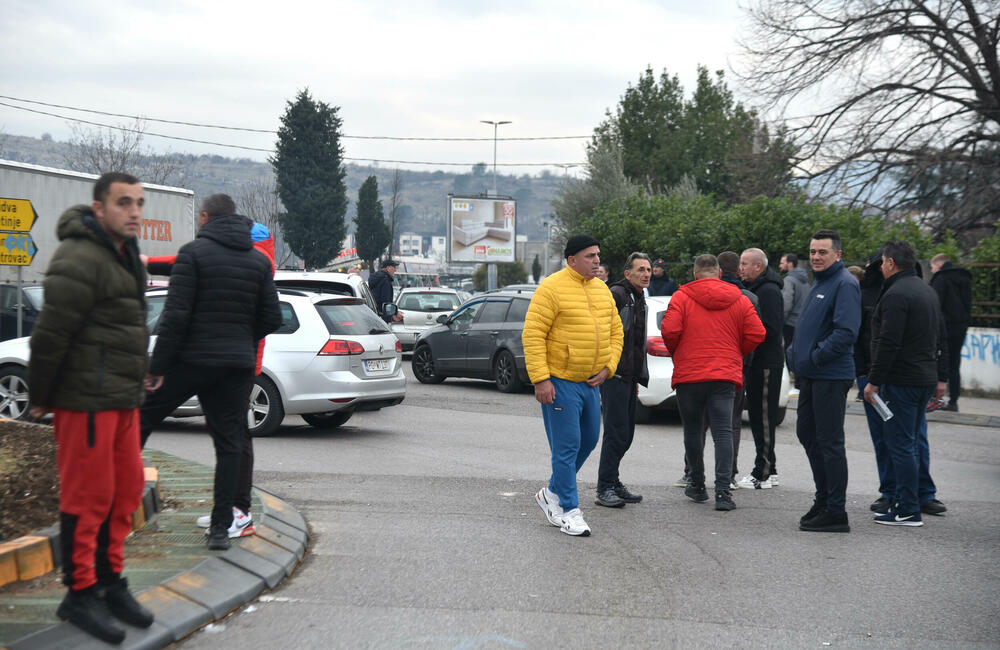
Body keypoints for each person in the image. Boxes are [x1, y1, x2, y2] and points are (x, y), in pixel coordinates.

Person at [27, 172, 155, 643]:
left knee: (126, 492)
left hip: (121, 398)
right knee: (89, 497)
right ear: (99, 208)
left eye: (139, 202)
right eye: (124, 203)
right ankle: (78, 593)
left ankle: (109, 582)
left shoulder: (124, 256)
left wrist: (141, 371)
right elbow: (51, 333)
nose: (135, 211)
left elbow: (128, 326)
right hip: (84, 401)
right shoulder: (78, 256)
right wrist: (41, 395)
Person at [140, 193, 282, 550]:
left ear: (204, 218)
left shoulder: (193, 253)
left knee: (141, 416)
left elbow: (175, 317)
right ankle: (221, 527)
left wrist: (157, 368)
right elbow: (272, 318)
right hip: (236, 364)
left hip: (192, 360)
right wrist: (241, 343)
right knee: (230, 442)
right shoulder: (259, 262)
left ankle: (119, 495)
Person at [525, 234, 623, 536]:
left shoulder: (602, 290)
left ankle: (551, 492)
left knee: (589, 440)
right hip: (560, 382)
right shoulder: (552, 288)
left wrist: (609, 367)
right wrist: (541, 379)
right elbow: (532, 334)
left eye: (597, 255)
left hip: (590, 382)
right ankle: (569, 510)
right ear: (572, 260)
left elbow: (616, 331)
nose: (596, 261)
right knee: (566, 448)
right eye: (590, 256)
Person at [662, 254, 765, 511]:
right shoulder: (739, 299)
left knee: (693, 430)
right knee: (723, 431)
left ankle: (696, 484)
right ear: (719, 273)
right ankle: (722, 492)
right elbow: (757, 333)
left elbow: (670, 330)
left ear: (695, 274)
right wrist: (735, 351)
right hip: (724, 375)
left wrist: (680, 353)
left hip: (690, 374)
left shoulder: (681, 297)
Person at [864, 241, 948, 527]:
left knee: (900, 445)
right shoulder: (927, 290)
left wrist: (874, 381)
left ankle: (908, 508)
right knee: (910, 444)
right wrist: (942, 378)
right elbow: (941, 337)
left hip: (902, 380)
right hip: (924, 377)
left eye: (882, 262)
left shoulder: (896, 293)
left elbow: (889, 342)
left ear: (889, 262)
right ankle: (906, 502)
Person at [789, 229, 860, 533]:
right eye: (813, 251)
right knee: (808, 434)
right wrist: (795, 354)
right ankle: (824, 498)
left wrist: (815, 356)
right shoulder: (820, 282)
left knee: (830, 442)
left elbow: (845, 333)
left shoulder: (844, 284)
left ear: (838, 255)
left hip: (830, 375)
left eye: (823, 252)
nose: (816, 257)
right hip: (811, 375)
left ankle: (835, 510)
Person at [595, 252, 650, 508]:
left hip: (629, 376)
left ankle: (613, 481)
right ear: (628, 273)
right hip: (614, 375)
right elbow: (604, 333)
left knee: (626, 434)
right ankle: (604, 487)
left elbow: (636, 344)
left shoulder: (638, 298)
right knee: (616, 433)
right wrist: (606, 367)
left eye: (648, 269)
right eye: (640, 269)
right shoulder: (617, 294)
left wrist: (637, 376)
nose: (646, 274)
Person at [737, 248, 784, 489]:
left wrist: (747, 337)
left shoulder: (769, 291)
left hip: (766, 363)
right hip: (757, 362)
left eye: (745, 264)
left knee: (763, 418)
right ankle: (771, 468)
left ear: (759, 266)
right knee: (757, 416)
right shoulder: (756, 288)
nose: (741, 268)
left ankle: (762, 472)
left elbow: (771, 328)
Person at [929, 253, 972, 412]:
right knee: (954, 363)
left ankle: (935, 398)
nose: (932, 270)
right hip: (960, 326)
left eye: (932, 267)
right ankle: (953, 401)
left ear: (939, 265)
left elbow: (935, 304)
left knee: (936, 360)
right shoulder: (964, 278)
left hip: (944, 326)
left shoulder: (941, 278)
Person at [779, 253, 810, 349]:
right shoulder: (805, 281)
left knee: (789, 352)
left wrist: (780, 321)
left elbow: (786, 305)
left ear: (790, 264)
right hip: (804, 322)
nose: (780, 266)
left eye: (782, 263)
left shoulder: (789, 280)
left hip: (790, 324)